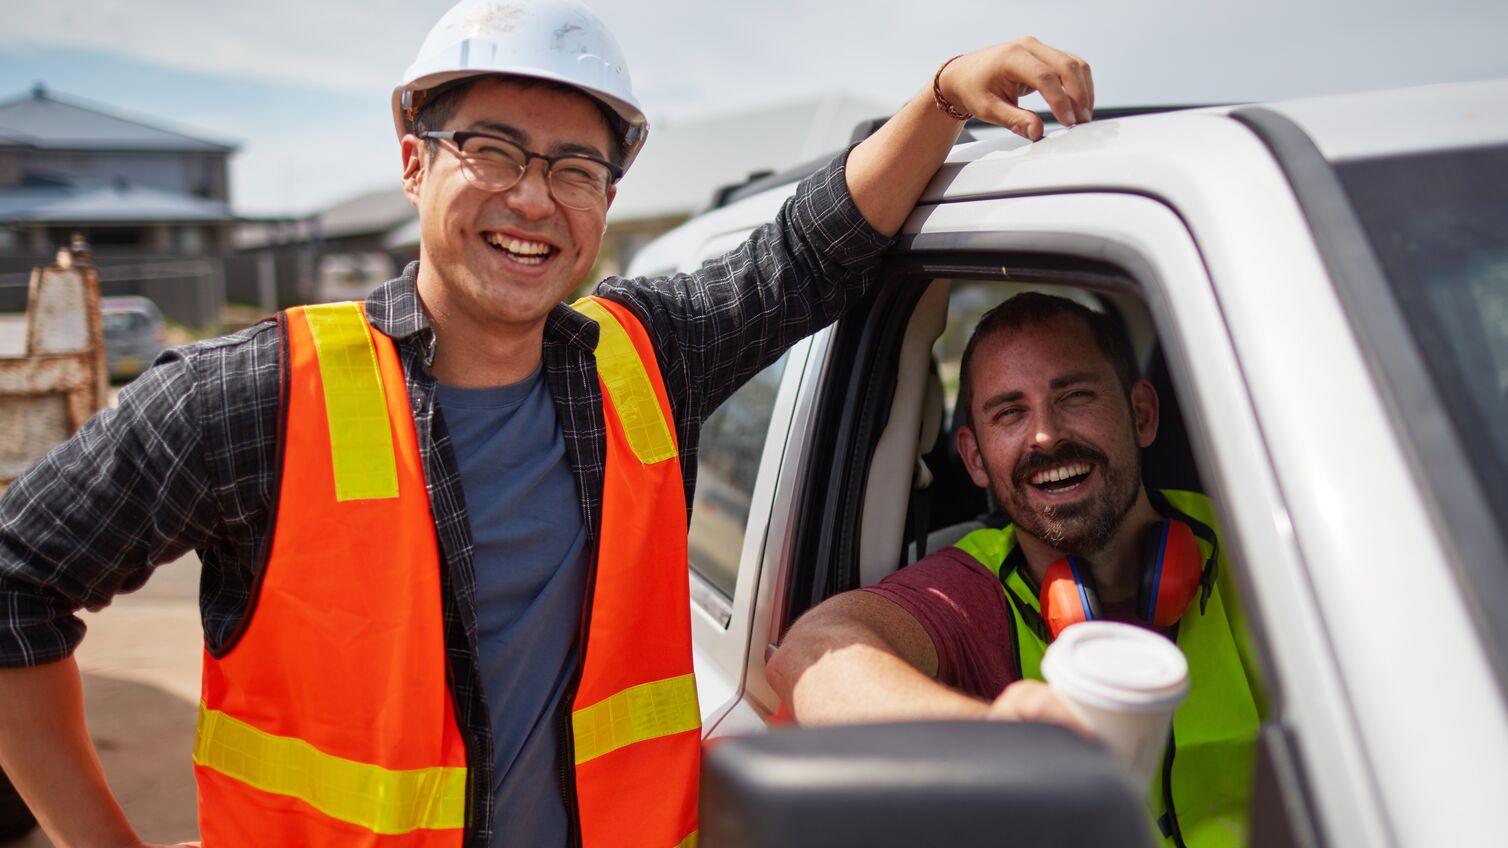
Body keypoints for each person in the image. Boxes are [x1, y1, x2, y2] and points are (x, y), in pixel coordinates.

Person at [0, 1, 1095, 846]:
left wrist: (944, 94)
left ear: (606, 200)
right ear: (412, 160)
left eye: (576, 167)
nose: (534, 198)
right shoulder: (255, 397)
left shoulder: (635, 361)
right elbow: (14, 581)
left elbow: (805, 255)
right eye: (494, 150)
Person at [767, 292, 1265, 848]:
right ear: (976, 459)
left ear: (1142, 414)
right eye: (1009, 413)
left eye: (1075, 396)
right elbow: (813, 652)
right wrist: (987, 741)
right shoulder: (968, 588)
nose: (1045, 435)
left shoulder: (1260, 547)